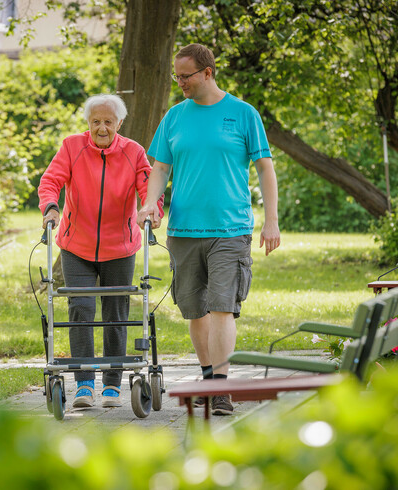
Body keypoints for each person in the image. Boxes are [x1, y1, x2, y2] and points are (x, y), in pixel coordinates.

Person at [137, 43, 280, 415]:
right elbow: (161, 169)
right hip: (184, 230)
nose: (180, 82)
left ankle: (221, 387)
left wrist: (271, 220)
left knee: (222, 308)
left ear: (208, 72)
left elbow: (265, 168)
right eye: (176, 76)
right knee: (195, 310)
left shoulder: (243, 114)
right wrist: (150, 202)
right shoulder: (174, 117)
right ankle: (207, 376)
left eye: (186, 76)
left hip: (230, 228)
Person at [38, 94, 164, 409]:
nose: (102, 128)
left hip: (120, 246)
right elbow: (51, 181)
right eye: (96, 122)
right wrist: (51, 207)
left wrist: (150, 210)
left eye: (108, 122)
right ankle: (83, 384)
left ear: (119, 123)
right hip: (76, 245)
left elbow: (149, 188)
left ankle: (111, 385)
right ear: (88, 123)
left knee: (115, 314)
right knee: (80, 309)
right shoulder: (72, 147)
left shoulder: (134, 152)